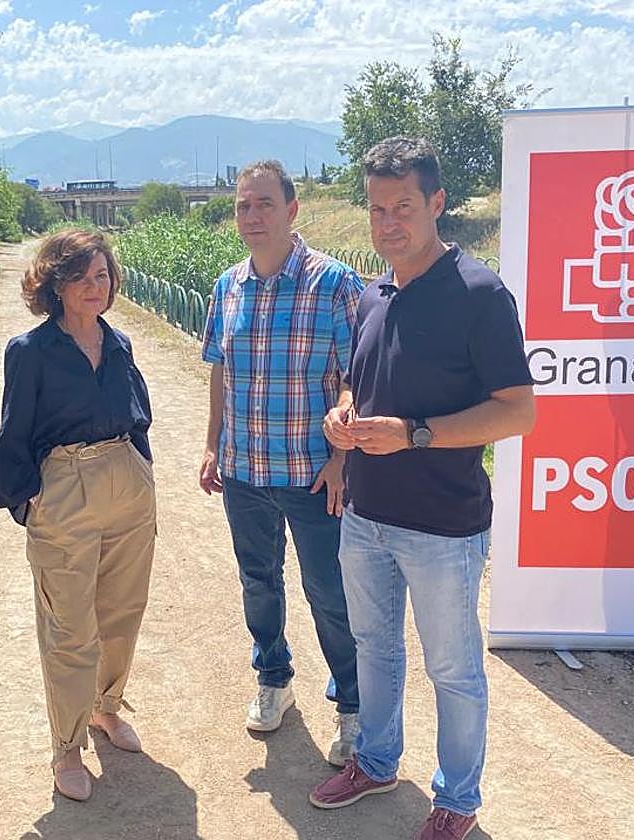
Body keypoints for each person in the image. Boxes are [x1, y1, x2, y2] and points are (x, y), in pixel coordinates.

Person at [309, 136, 536, 840]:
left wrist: (416, 434)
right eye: (377, 209)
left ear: (437, 203)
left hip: (443, 525)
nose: (388, 224)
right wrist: (343, 415)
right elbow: (358, 383)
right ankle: (376, 762)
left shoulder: (479, 294)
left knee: (453, 669)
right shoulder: (373, 294)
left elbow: (518, 411)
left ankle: (457, 801)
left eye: (402, 207)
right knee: (374, 648)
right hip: (366, 515)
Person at [199, 159, 363, 764]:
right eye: (243, 205)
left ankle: (352, 705)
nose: (252, 216)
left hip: (314, 474)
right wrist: (212, 444)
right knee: (258, 583)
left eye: (264, 204)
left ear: (292, 210)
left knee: (331, 594)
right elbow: (220, 371)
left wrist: (342, 458)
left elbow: (357, 379)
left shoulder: (334, 283)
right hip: (245, 471)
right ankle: (273, 678)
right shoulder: (227, 287)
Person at [0, 228, 155, 802]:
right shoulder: (30, 351)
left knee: (122, 610)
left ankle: (107, 708)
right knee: (69, 628)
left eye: (102, 275)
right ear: (55, 284)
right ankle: (66, 747)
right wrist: (30, 502)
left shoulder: (119, 343)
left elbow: (139, 413)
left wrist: (141, 468)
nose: (94, 286)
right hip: (65, 485)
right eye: (81, 277)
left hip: (126, 483)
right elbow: (14, 432)